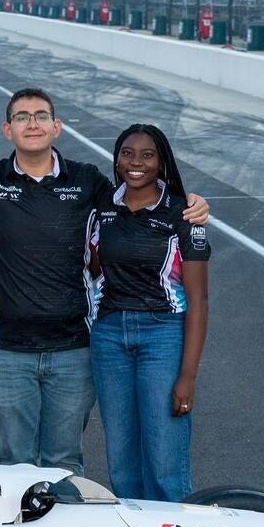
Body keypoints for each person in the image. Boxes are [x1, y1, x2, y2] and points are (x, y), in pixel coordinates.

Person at [0, 89, 208, 475]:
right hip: (9, 351)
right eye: (22, 116)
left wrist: (191, 202)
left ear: (57, 127)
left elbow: (140, 190)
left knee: (64, 463)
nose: (32, 123)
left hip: (73, 349)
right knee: (15, 465)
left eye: (41, 115)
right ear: (7, 129)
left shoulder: (87, 182)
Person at [87, 124, 211, 502]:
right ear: (116, 158)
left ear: (162, 162)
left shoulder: (184, 215)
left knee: (163, 461)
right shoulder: (102, 205)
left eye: (147, 155)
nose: (135, 162)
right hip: (108, 335)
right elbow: (91, 266)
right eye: (127, 153)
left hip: (163, 334)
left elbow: (199, 299)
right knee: (122, 462)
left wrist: (187, 376)